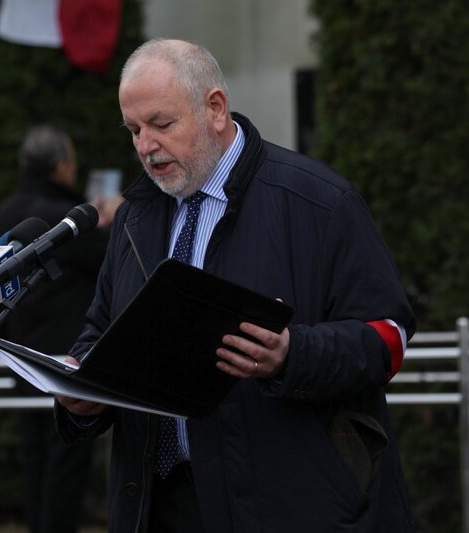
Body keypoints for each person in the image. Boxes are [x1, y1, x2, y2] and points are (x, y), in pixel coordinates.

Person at [55, 39, 417, 533]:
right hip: (157, 505)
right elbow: (99, 331)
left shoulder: (317, 201)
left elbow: (389, 336)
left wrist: (292, 355)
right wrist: (82, 391)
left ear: (216, 109)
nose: (145, 146)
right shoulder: (136, 217)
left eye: (161, 125)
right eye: (134, 130)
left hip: (286, 503)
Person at [0, 125, 120, 533]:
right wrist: (113, 220)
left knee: (35, 456)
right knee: (66, 458)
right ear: (62, 167)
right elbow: (109, 262)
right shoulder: (62, 218)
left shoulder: (9, 209)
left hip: (21, 350)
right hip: (65, 351)